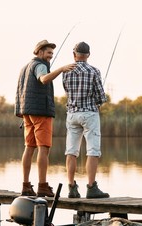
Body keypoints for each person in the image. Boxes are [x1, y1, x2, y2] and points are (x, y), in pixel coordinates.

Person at [15, 40, 75, 197]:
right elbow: (43, 79)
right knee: (44, 148)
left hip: (27, 112)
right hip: (41, 112)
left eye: (51, 54)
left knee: (29, 147)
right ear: (40, 52)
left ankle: (26, 185)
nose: (50, 56)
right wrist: (61, 69)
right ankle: (42, 186)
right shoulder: (40, 65)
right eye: (48, 53)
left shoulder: (25, 68)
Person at [62, 42, 110, 199]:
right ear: (88, 55)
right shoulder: (94, 71)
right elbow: (101, 96)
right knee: (93, 151)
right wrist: (98, 102)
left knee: (71, 151)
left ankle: (71, 188)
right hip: (90, 114)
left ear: (74, 54)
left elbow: (67, 91)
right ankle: (91, 187)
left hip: (72, 114)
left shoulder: (66, 72)